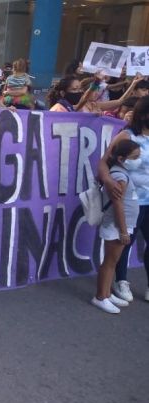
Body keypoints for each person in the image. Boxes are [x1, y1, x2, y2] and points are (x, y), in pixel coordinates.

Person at [99, 96, 149, 304]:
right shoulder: (127, 136)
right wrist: (108, 180)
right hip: (130, 201)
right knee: (123, 242)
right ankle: (121, 281)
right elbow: (103, 163)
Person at [92, 139, 141, 313]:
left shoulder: (122, 172)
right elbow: (118, 204)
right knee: (110, 262)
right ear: (121, 159)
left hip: (120, 225)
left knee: (113, 261)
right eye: (135, 157)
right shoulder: (119, 176)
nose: (138, 160)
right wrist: (123, 230)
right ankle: (100, 296)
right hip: (117, 225)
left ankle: (106, 292)